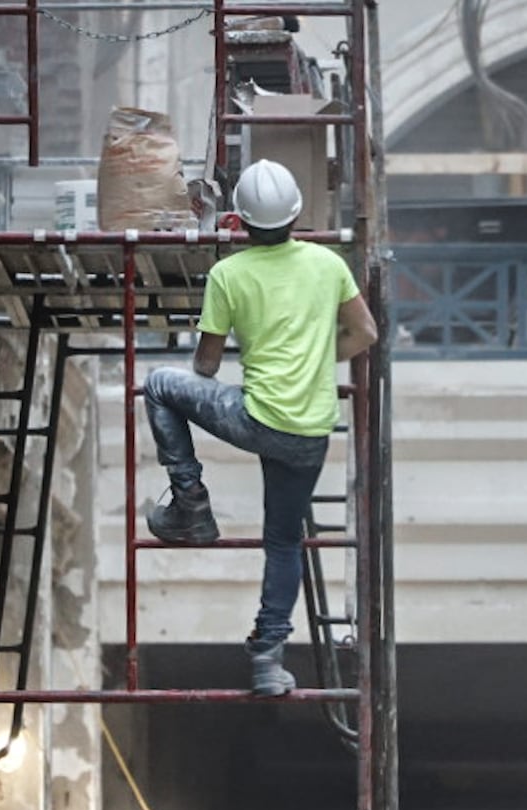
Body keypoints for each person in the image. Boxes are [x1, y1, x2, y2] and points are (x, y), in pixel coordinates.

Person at [143, 159, 378, 696]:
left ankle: (191, 505)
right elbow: (365, 332)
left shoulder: (229, 275)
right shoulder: (328, 264)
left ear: (241, 222)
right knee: (283, 542)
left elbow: (203, 369)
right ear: (296, 215)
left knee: (159, 383)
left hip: (254, 419)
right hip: (310, 433)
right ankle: (268, 663)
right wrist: (320, 359)